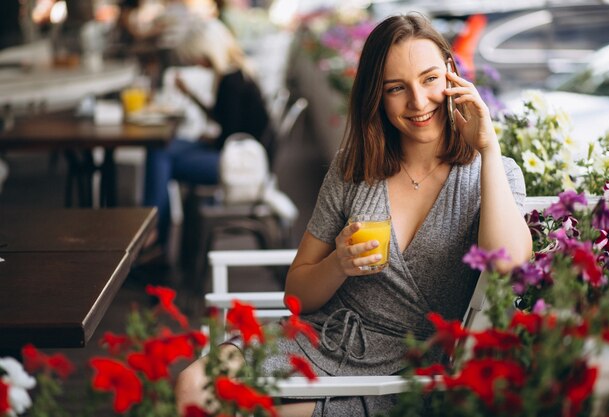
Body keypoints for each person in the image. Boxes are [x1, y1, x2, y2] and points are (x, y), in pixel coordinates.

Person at [174, 12, 532, 416]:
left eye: (430, 79)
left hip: (402, 368)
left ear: (452, 74)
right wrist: (338, 264)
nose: (418, 102)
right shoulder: (354, 169)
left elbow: (509, 264)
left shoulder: (492, 173)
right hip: (319, 336)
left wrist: (489, 147)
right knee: (194, 385)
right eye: (396, 88)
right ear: (376, 96)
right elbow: (296, 295)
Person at [142, 18, 272, 252]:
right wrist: (191, 95)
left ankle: (154, 235)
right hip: (241, 154)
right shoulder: (237, 72)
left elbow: (229, 133)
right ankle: (155, 234)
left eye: (197, 57)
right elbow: (226, 121)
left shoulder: (231, 81)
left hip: (239, 165)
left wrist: (211, 138)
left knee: (161, 156)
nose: (195, 63)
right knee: (162, 150)